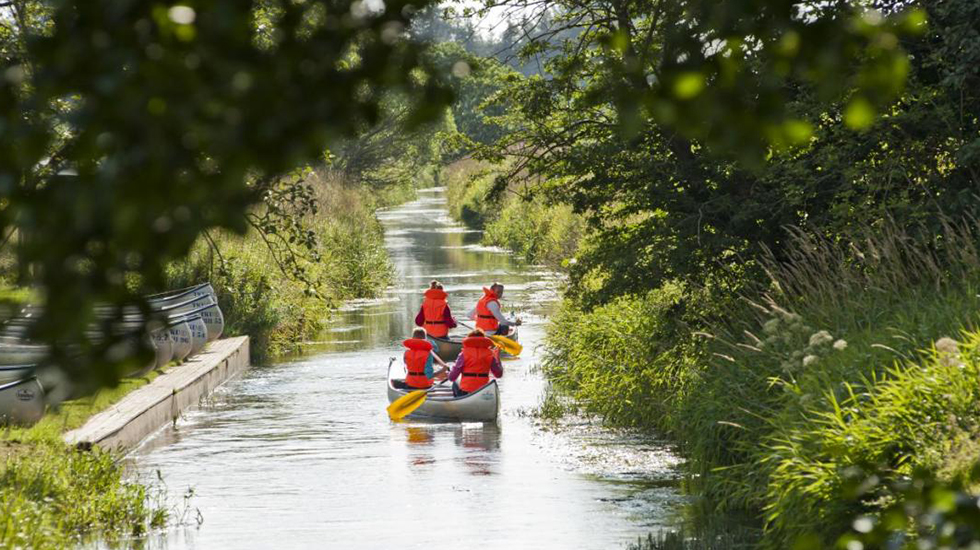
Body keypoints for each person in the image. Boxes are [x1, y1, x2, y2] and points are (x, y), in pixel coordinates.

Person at [447, 328, 503, 397]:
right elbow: (499, 374)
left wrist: (448, 373)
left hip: (466, 391)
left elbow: (452, 377)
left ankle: (457, 402)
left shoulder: (463, 354)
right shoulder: (490, 354)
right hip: (483, 390)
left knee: (455, 383)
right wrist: (497, 358)